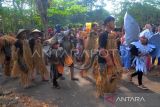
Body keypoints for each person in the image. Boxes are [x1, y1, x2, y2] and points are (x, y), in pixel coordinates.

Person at [97, 16, 122, 96]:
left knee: (114, 74)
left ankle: (110, 89)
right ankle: (103, 92)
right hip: (104, 60)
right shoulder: (103, 34)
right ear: (108, 23)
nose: (114, 24)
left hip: (113, 59)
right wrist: (109, 60)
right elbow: (101, 49)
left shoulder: (111, 34)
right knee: (103, 76)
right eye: (113, 22)